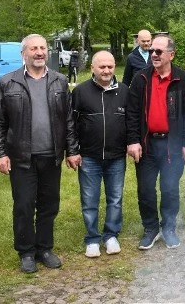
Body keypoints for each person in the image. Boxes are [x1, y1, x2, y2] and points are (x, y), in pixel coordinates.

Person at [0, 34, 81, 273]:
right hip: (21, 157)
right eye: (33, 49)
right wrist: (0, 154)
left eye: (42, 48)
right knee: (24, 205)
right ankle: (26, 252)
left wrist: (72, 150)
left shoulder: (59, 81)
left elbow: (68, 120)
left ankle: (45, 248)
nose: (39, 52)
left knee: (49, 204)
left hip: (51, 156)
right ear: (23, 54)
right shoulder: (8, 82)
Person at [126, 34, 185, 250]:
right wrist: (133, 140)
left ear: (171, 54)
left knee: (170, 189)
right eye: (151, 51)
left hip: (172, 145)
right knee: (145, 190)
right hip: (146, 145)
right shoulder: (140, 78)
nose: (154, 55)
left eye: (158, 51)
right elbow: (131, 113)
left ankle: (169, 228)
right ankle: (151, 228)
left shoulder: (183, 79)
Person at [71, 51, 129, 258]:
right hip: (89, 156)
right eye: (102, 67)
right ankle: (93, 238)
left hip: (116, 156)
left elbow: (131, 121)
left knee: (115, 198)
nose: (106, 70)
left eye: (110, 67)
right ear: (92, 68)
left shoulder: (124, 91)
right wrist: (72, 151)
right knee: (89, 200)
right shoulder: (80, 92)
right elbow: (71, 124)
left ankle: (111, 235)